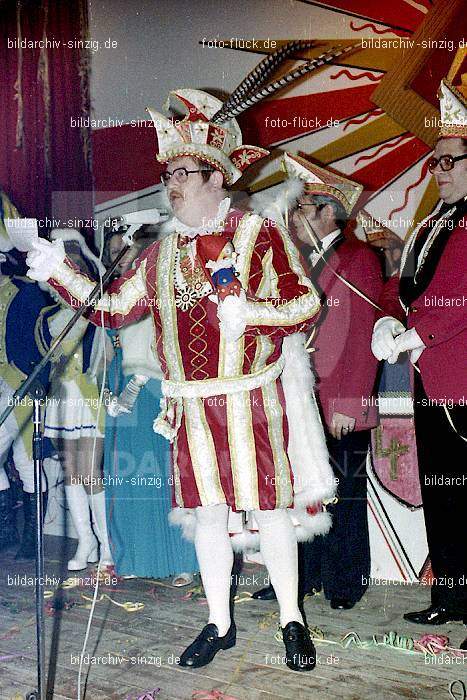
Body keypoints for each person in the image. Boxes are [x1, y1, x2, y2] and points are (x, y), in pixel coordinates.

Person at [25, 83, 337, 672]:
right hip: (190, 405)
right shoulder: (160, 253)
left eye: (184, 172)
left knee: (270, 508)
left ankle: (292, 619)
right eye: (168, 173)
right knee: (209, 514)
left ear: (217, 176)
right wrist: (56, 269)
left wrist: (251, 313)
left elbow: (304, 306)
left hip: (252, 396)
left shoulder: (257, 233)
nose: (171, 184)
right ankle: (220, 623)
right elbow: (113, 309)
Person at [252, 154, 383, 608]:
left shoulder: (359, 258)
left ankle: (346, 582)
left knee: (344, 493)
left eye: (303, 208)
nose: (294, 216)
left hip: (338, 401)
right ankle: (302, 576)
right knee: (302, 492)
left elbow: (363, 334)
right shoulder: (302, 263)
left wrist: (349, 400)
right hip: (303, 400)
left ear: (329, 211)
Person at [371, 72, 467, 635]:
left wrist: (414, 335)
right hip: (431, 378)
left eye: (452, 160)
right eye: (436, 162)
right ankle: (451, 598)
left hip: (459, 374)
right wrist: (388, 315)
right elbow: (404, 286)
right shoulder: (431, 222)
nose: (441, 170)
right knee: (442, 492)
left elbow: (458, 298)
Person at [102, 230, 198, 584]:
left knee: (164, 477)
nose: (120, 256)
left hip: (150, 388)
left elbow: (165, 344)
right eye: (114, 250)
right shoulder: (115, 294)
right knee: (129, 478)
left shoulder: (155, 288)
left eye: (126, 250)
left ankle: (183, 560)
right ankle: (138, 560)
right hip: (121, 388)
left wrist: (135, 385)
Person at [44, 229, 113, 571]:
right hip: (62, 399)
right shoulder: (51, 309)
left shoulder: (94, 304)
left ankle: (107, 545)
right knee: (72, 473)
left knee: (91, 473)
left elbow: (103, 351)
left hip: (88, 397)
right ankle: (85, 540)